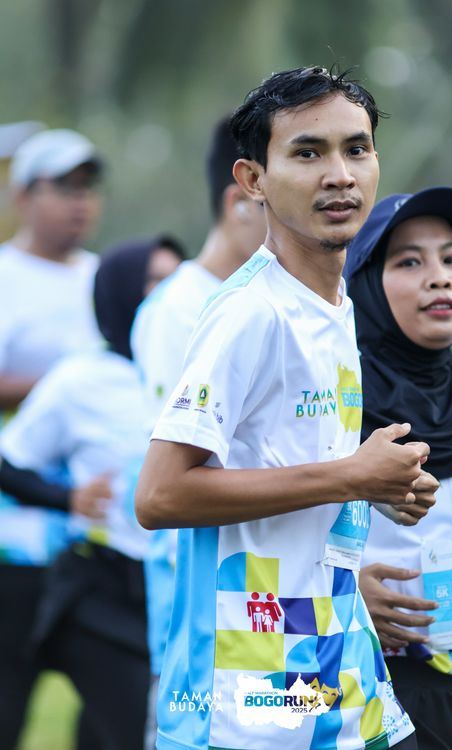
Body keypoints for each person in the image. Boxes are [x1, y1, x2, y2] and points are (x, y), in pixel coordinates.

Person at [136, 65, 438, 750]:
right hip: (247, 692)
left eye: (356, 149)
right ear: (253, 181)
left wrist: (378, 487)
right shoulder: (249, 312)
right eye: (307, 153)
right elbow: (159, 496)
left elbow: (290, 469)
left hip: (329, 658)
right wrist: (350, 475)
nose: (339, 175)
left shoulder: (333, 304)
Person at [0, 234, 185, 750]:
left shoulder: (195, 372)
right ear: (117, 292)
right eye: (153, 281)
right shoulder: (80, 379)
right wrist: (69, 499)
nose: (167, 294)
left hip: (175, 591)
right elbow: (8, 463)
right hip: (101, 589)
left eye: (176, 280)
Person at [344, 187, 452, 750]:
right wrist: (342, 597)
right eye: (409, 262)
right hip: (378, 696)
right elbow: (267, 546)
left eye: (451, 258)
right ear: (365, 285)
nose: (439, 278)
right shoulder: (331, 413)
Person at [131, 115, 266, 750]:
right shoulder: (179, 309)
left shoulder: (268, 299)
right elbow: (176, 480)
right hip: (201, 604)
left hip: (274, 601)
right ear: (241, 198)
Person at [0, 127, 104, 748]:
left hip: (92, 536)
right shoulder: (5, 275)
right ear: (23, 196)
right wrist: (66, 387)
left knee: (109, 707)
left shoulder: (104, 277)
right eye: (63, 187)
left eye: (87, 187)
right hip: (13, 536)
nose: (80, 201)